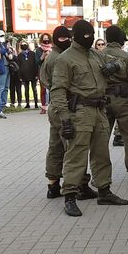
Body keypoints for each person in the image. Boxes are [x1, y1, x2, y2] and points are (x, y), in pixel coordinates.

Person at [51, 20, 128, 216]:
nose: (89, 39)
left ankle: (104, 190)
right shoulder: (66, 58)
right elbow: (58, 90)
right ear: (76, 37)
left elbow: (121, 62)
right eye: (85, 36)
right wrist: (65, 118)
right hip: (79, 112)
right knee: (76, 155)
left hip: (99, 110)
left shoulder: (96, 54)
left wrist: (112, 66)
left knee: (101, 154)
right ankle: (70, 195)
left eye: (92, 35)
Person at [43, 25, 92, 199]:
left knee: (55, 146)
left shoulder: (50, 57)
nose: (66, 41)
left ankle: (53, 184)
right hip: (65, 106)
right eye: (62, 39)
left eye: (68, 38)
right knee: (73, 148)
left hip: (54, 107)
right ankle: (80, 185)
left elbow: (44, 79)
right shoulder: (62, 58)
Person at [101, 24, 128, 188]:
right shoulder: (127, 58)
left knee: (101, 140)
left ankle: (101, 178)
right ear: (121, 40)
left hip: (104, 101)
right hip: (124, 101)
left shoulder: (99, 55)